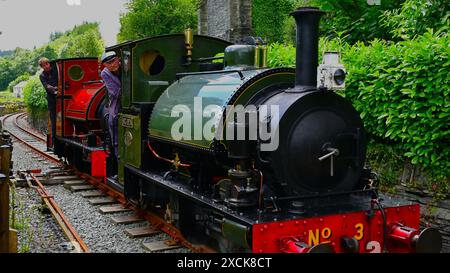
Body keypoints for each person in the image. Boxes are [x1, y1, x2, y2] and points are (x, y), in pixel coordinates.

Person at [100, 51, 121, 167]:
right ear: (105, 65)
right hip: (116, 104)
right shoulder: (105, 73)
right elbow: (115, 92)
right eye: (109, 63)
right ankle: (117, 158)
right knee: (113, 120)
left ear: (118, 59)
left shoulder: (127, 67)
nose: (113, 64)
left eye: (114, 61)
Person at [39, 57, 58, 150]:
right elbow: (46, 86)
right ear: (42, 67)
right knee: (54, 121)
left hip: (62, 95)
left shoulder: (56, 70)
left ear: (49, 63)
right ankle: (55, 142)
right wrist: (55, 89)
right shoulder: (42, 75)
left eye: (47, 64)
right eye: (44, 65)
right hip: (52, 100)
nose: (46, 66)